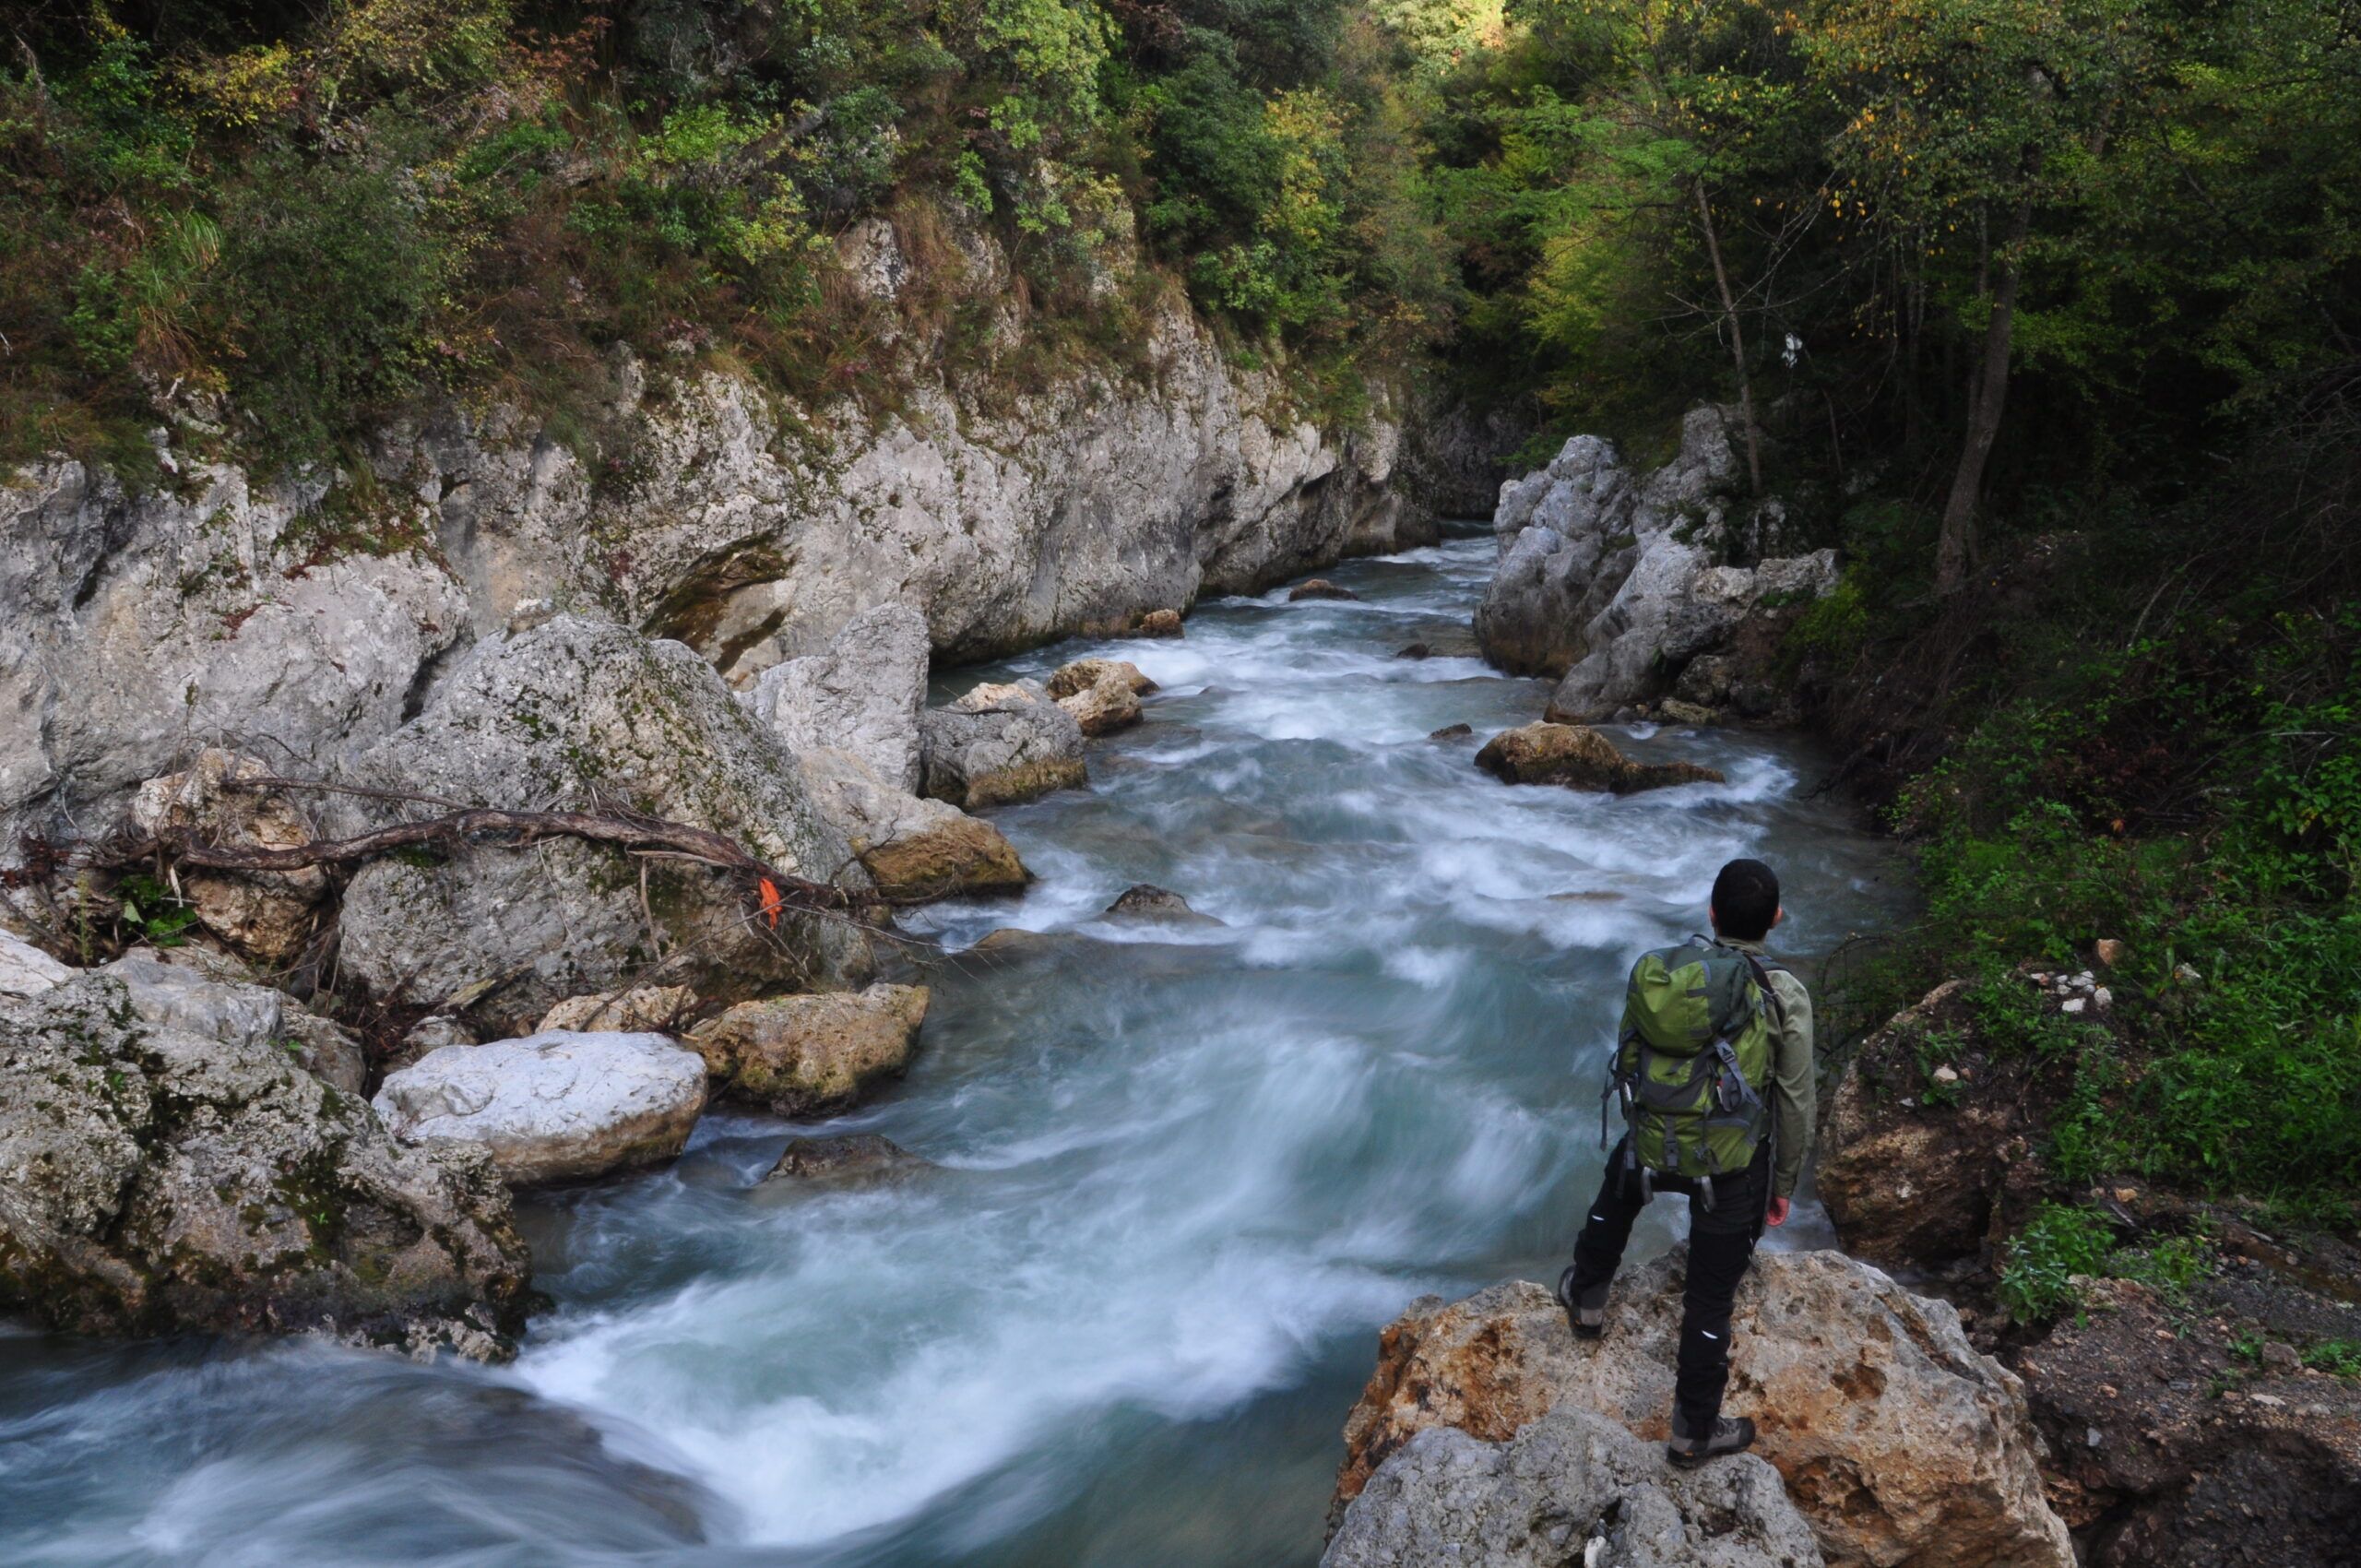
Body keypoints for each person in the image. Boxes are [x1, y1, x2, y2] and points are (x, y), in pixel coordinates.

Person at [1552, 857, 1814, 1467]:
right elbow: (1795, 1097)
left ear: (1711, 914)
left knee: (1621, 1183)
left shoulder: (1664, 977)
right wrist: (1783, 1182)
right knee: (1708, 1297)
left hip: (1653, 1140)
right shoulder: (1785, 994)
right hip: (1732, 1164)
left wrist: (1652, 1124)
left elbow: (1628, 1057)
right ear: (1776, 919)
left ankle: (1587, 1297)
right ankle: (1694, 1431)